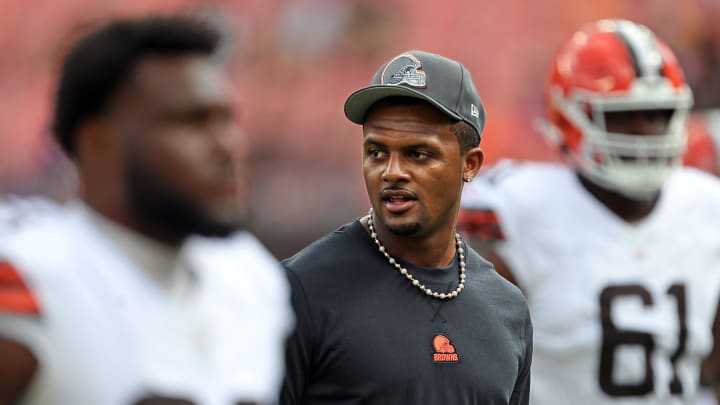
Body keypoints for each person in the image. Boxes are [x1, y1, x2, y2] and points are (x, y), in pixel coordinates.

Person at [0, 16, 293, 405]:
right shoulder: (33, 280)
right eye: (191, 122)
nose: (227, 146)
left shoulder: (250, 277)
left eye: (226, 120)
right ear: (99, 142)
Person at [458, 19, 720, 405]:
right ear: (569, 116)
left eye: (657, 114)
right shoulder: (518, 209)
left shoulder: (705, 205)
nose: (645, 132)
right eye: (621, 116)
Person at [280, 50, 532, 405]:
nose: (392, 171)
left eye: (417, 154)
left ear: (469, 164)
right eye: (377, 152)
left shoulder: (508, 308)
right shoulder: (301, 289)